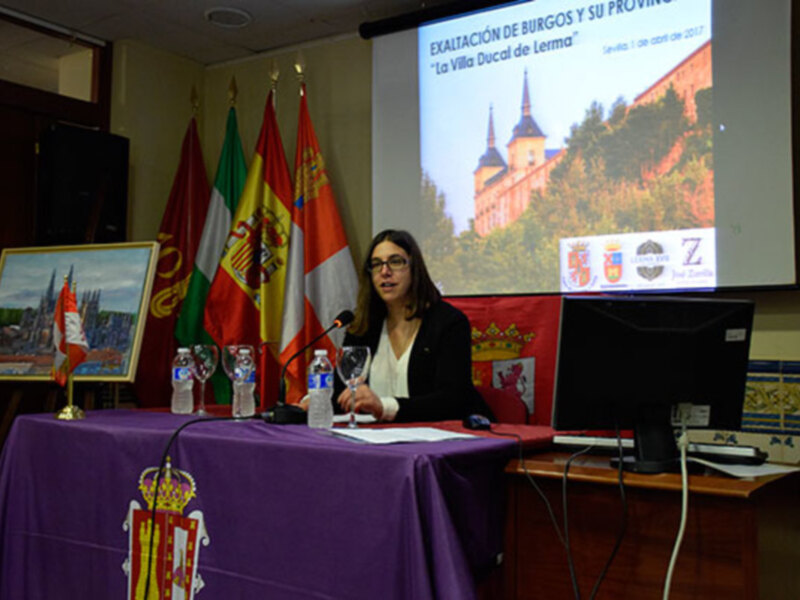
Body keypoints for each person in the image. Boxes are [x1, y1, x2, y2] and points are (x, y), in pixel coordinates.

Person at [334, 229, 490, 422]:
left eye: (395, 262)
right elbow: (341, 392)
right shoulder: (363, 327)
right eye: (376, 264)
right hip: (377, 441)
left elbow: (452, 400)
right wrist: (314, 402)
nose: (385, 271)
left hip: (441, 440)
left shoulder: (448, 323)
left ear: (414, 268)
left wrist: (384, 407)